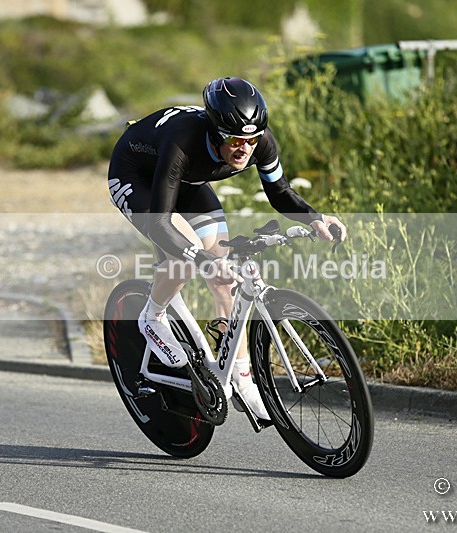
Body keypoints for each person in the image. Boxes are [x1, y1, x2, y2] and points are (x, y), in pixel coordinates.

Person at [107, 77, 346, 421]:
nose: (243, 149)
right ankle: (152, 315)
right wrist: (198, 257)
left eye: (250, 140)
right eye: (235, 140)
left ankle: (242, 377)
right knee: (186, 254)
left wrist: (314, 218)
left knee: (226, 277)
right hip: (137, 176)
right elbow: (159, 223)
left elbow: (279, 191)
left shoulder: (260, 142)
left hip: (188, 181)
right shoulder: (184, 140)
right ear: (216, 131)